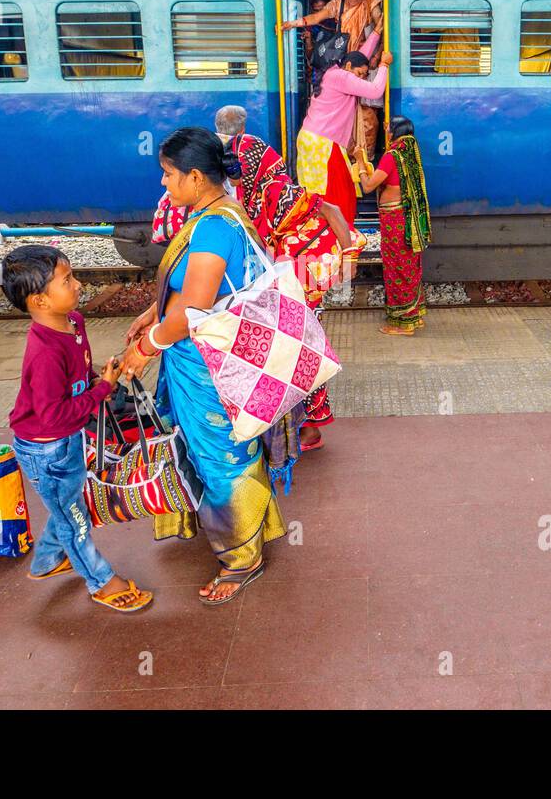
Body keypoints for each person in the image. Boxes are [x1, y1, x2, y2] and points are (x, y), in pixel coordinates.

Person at [119, 127, 285, 606]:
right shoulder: (218, 214)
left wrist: (146, 347)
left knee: (221, 458)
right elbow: (193, 290)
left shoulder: (212, 226)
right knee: (219, 452)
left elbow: (193, 308)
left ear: (195, 176)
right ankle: (241, 525)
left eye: (169, 175)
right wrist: (153, 314)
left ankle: (242, 557)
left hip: (208, 368)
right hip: (206, 361)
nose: (165, 185)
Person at [2, 244, 154, 613]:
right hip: (46, 449)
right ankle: (101, 581)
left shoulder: (74, 323)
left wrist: (99, 378)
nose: (78, 284)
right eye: (67, 280)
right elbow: (53, 415)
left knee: (66, 506)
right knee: (73, 515)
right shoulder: (44, 354)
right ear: (39, 301)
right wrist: (103, 390)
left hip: (66, 440)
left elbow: (79, 378)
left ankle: (47, 561)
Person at [214, 104, 363, 452]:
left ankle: (309, 428)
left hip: (301, 280)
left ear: (249, 167)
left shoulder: (278, 192)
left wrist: (350, 256)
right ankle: (298, 426)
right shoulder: (256, 192)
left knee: (298, 352)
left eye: (235, 170)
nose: (232, 177)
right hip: (287, 278)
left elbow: (333, 210)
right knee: (292, 352)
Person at [284, 0, 386, 168]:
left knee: (368, 118)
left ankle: (365, 162)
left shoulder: (371, 4)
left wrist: (376, 57)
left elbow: (381, 29)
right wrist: (293, 24)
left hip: (362, 64)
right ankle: (347, 162)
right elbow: (315, 17)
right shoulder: (337, 4)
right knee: (344, 116)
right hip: (344, 66)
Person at [288, 47, 392, 227]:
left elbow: (361, 55)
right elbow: (375, 91)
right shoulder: (341, 77)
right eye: (360, 74)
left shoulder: (335, 73)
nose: (360, 79)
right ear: (349, 66)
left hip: (319, 141)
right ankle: (333, 235)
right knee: (335, 193)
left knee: (328, 190)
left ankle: (330, 234)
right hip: (322, 143)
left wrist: (376, 33)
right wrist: (384, 65)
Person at [357, 116, 432, 336]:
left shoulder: (392, 156)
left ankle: (402, 323)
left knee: (397, 266)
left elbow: (369, 186)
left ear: (396, 132)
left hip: (395, 221)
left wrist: (360, 163)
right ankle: (414, 315)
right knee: (408, 264)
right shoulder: (409, 153)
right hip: (406, 220)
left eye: (389, 128)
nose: (386, 131)